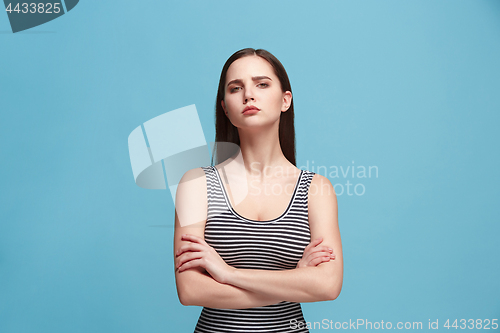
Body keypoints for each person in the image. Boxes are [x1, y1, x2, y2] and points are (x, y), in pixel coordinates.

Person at [173, 48, 343, 333]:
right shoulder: (197, 184)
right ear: (226, 107)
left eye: (262, 84)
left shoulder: (316, 189)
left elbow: (327, 285)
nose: (248, 95)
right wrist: (294, 282)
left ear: (285, 100)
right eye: (235, 88)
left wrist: (228, 274)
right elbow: (190, 290)